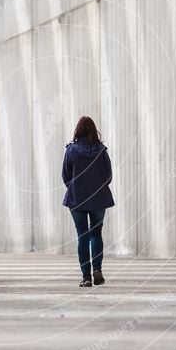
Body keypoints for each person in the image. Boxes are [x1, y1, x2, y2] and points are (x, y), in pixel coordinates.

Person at [62, 116, 114, 287]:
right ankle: (97, 269)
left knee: (82, 236)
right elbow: (108, 175)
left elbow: (66, 175)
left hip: (77, 199)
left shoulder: (71, 150)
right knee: (96, 233)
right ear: (94, 130)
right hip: (98, 199)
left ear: (78, 131)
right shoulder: (101, 151)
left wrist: (76, 187)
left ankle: (86, 277)